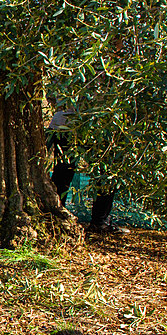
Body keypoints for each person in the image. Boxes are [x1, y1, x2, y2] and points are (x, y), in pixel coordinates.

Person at [47, 97, 129, 235]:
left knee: (65, 173)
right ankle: (96, 222)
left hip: (70, 125)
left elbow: (52, 97)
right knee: (102, 174)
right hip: (87, 126)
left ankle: (57, 219)